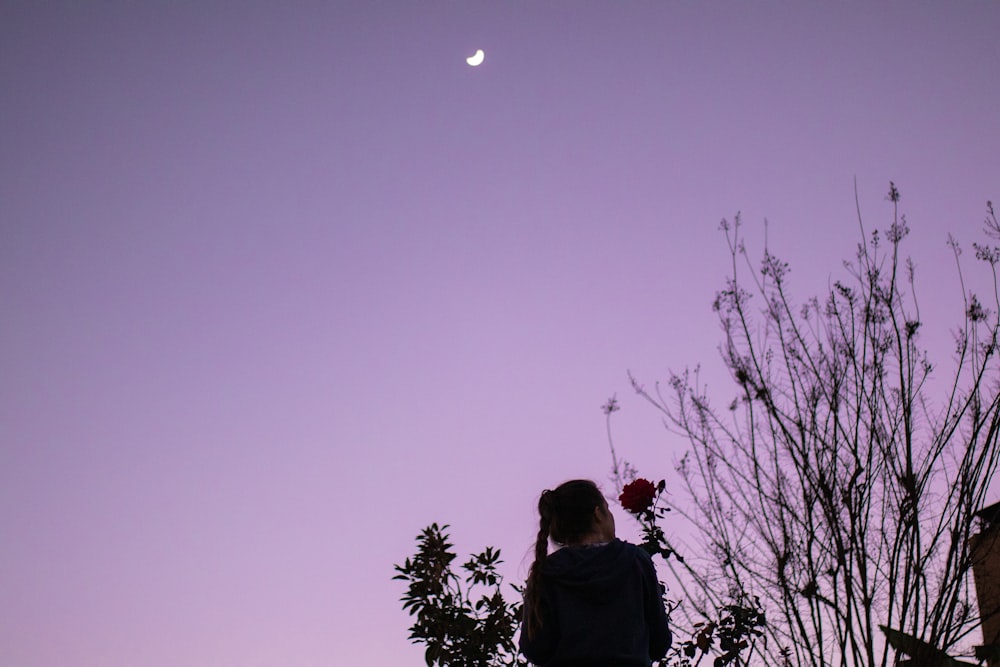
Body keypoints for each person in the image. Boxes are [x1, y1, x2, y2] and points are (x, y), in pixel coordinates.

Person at [519, 479, 672, 666]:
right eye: (607, 509)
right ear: (598, 514)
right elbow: (660, 642)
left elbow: (534, 649)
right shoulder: (636, 560)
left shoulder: (546, 572)